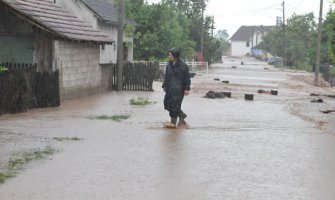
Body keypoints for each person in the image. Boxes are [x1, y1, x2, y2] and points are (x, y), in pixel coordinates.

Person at [162, 48, 191, 128]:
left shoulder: (183, 66)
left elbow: (187, 78)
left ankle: (173, 124)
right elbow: (166, 76)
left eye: (170, 55)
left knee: (175, 106)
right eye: (169, 54)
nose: (169, 56)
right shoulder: (169, 65)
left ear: (175, 55)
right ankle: (182, 115)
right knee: (167, 104)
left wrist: (186, 89)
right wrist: (164, 85)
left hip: (179, 90)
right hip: (169, 89)